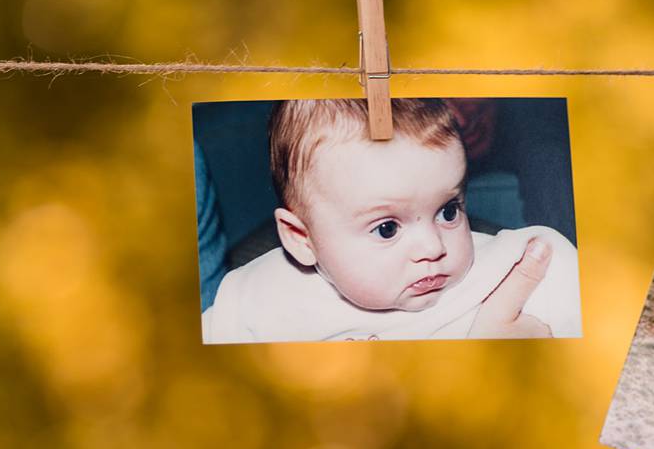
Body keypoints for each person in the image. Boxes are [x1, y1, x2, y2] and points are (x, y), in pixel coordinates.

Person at [201, 98, 581, 343]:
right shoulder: (254, 302)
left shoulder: (516, 270)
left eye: (448, 211)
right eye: (387, 228)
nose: (434, 247)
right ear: (301, 238)